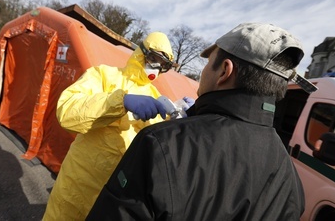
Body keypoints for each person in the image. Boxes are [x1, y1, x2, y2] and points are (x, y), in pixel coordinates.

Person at [87, 23, 317, 220]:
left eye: (208, 63)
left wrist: (184, 133)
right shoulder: (291, 179)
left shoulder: (160, 145)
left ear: (224, 71)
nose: (203, 71)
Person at [43, 32, 185, 220]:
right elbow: (67, 112)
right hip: (78, 186)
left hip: (116, 196)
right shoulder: (103, 75)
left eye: (164, 65)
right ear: (140, 53)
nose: (157, 67)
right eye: (154, 58)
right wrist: (120, 102)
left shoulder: (155, 96)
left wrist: (181, 119)